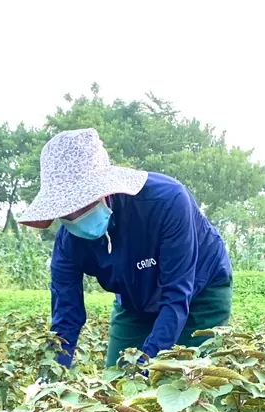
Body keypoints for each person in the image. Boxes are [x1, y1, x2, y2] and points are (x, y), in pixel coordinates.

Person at [17, 128, 233, 369]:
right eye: (66, 210)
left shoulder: (166, 202)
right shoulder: (68, 242)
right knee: (117, 381)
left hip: (198, 295)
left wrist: (146, 366)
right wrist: (50, 374)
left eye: (82, 202)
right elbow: (66, 316)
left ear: (105, 190)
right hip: (134, 302)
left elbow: (176, 296)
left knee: (183, 378)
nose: (75, 216)